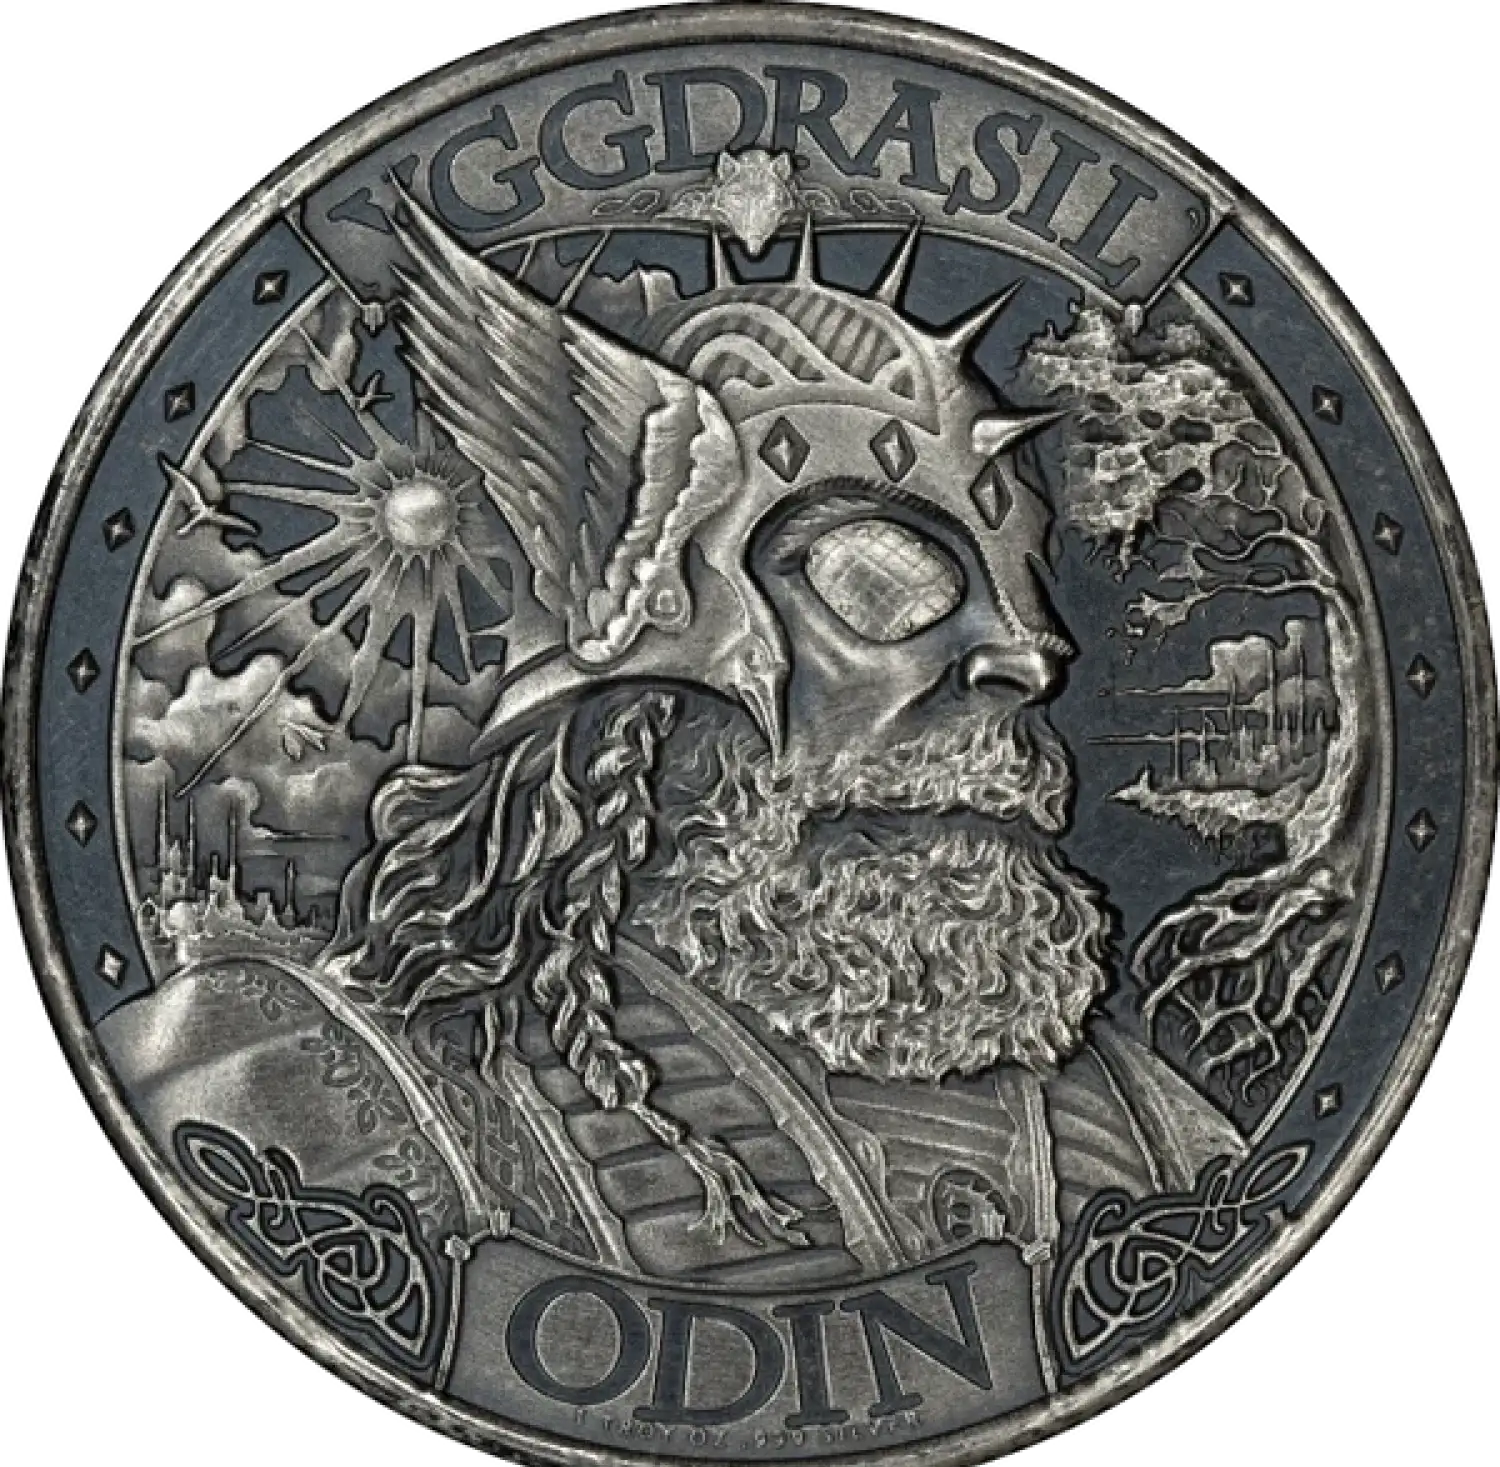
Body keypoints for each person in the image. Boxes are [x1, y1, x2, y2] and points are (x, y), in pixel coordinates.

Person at [100, 188, 1242, 1377]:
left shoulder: (1163, 1142)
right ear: (653, 666)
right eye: (888, 576)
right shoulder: (276, 1095)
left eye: (1024, 597)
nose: (1027, 659)